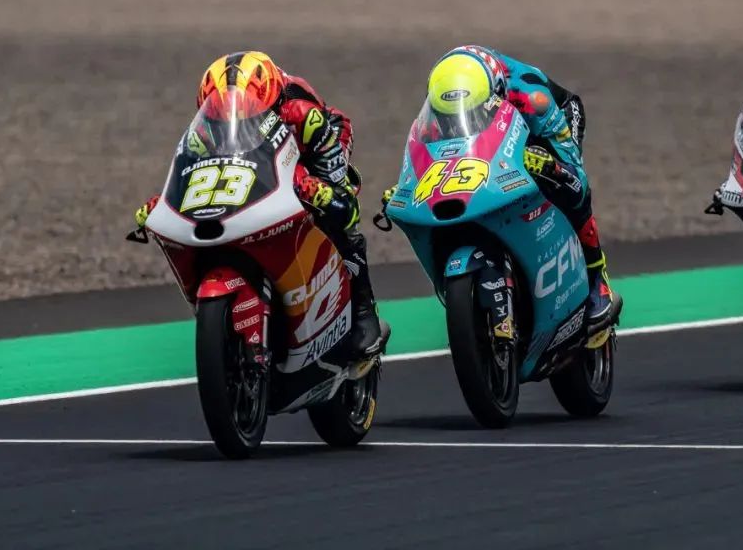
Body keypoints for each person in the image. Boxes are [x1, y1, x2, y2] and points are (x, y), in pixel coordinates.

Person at [135, 51, 385, 358]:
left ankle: (363, 311)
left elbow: (344, 201)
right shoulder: (210, 124)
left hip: (317, 143)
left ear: (270, 102)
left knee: (337, 212)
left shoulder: (303, 115)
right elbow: (197, 166)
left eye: (247, 114)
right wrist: (167, 203)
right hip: (259, 154)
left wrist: (323, 191)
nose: (233, 120)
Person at [388, 45, 622, 334]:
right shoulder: (443, 102)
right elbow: (431, 154)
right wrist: (408, 188)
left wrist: (552, 164)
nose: (450, 121)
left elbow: (573, 172)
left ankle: (597, 276)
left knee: (572, 186)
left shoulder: (533, 98)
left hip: (551, 122)